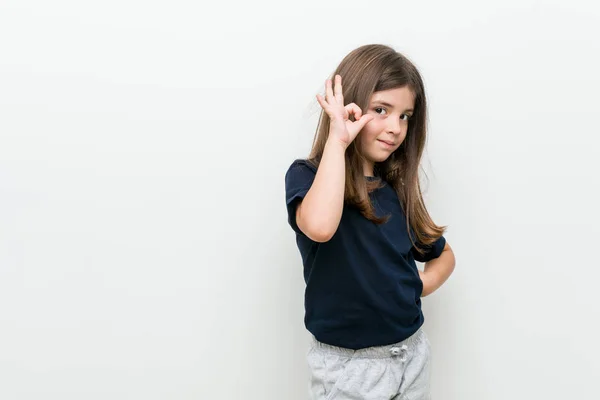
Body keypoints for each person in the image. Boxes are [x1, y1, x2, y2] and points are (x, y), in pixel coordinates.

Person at [284, 44, 457, 400]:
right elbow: (320, 227)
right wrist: (337, 141)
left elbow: (443, 255)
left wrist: (417, 285)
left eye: (405, 116)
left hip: (411, 355)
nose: (395, 127)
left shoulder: (397, 190)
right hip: (348, 369)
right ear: (350, 107)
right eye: (381, 110)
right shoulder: (307, 176)